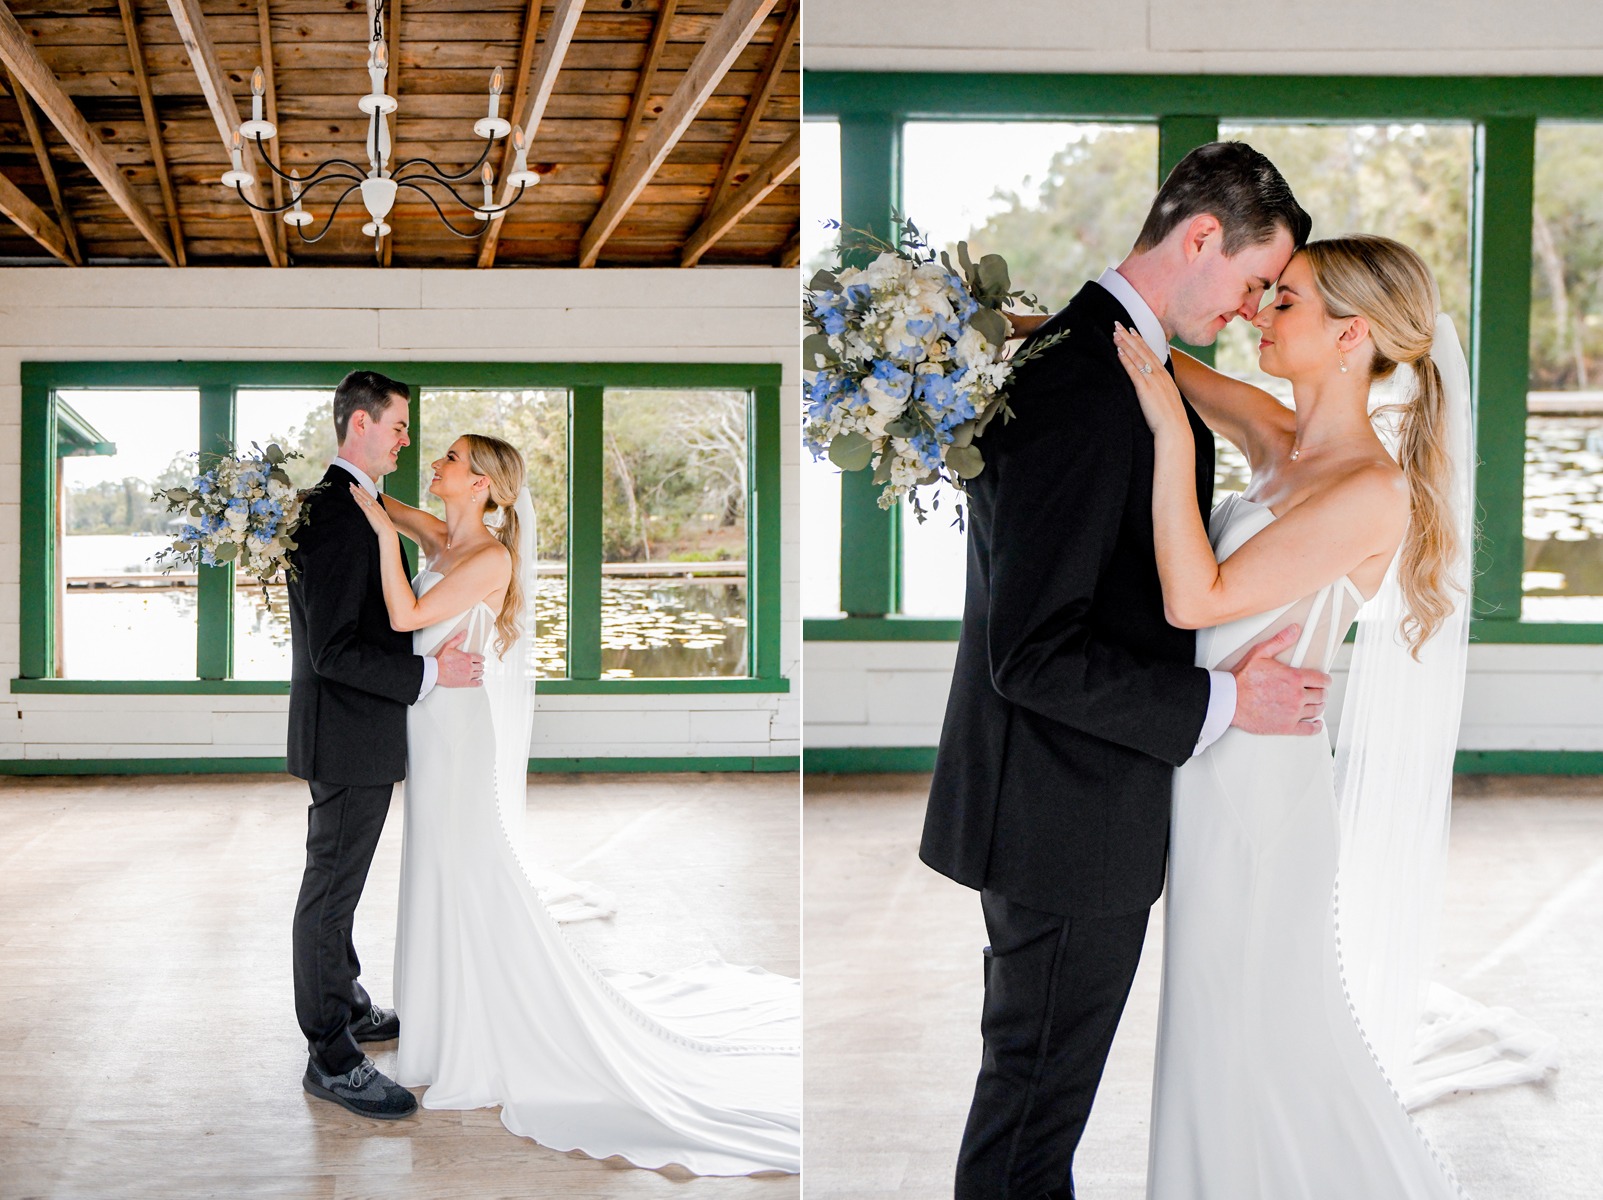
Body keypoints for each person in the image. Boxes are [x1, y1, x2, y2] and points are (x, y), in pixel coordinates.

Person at [921, 141, 1322, 1199]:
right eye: (1248, 281)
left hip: (1068, 800)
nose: (1247, 309)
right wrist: (1233, 699)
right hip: (1063, 811)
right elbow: (1034, 653)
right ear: (1200, 237)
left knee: (1034, 1093)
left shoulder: (1102, 359)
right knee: (1030, 1109)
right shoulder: (1084, 386)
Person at [1114, 234, 1471, 1197]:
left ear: (1350, 334)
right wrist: (971, 324)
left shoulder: (1369, 491)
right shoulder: (1278, 433)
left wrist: (1174, 441)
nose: (1260, 314)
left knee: (1251, 1021)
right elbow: (1141, 347)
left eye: (1286, 302)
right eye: (1266, 295)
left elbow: (1196, 601)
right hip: (1208, 757)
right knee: (1208, 1017)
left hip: (1262, 794)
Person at [345, 432, 800, 1175]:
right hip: (428, 727)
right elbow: (396, 509)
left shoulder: (488, 556)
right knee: (434, 866)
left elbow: (403, 620)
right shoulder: (447, 532)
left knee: (464, 866)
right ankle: (440, 1020)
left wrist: (373, 533)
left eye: (453, 460)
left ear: (484, 485)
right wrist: (359, 495)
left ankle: (480, 1027)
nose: (437, 464)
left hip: (457, 735)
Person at [286, 369, 485, 1121]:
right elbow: (334, 652)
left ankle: (350, 1001)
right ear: (359, 424)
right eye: (399, 426)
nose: (407, 440)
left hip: (355, 732)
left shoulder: (352, 504)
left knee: (340, 885)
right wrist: (429, 673)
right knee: (330, 893)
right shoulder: (337, 516)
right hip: (346, 734)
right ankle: (331, 1054)